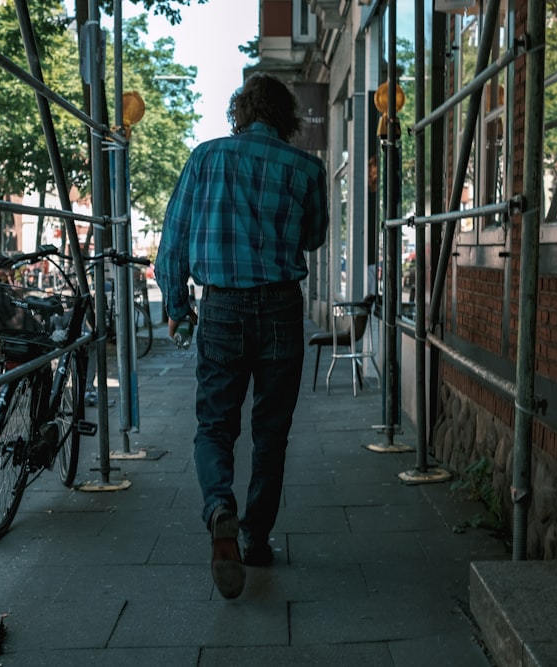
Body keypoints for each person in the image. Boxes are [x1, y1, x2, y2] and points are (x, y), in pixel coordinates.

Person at [155, 73, 329, 599]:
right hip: (279, 307)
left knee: (214, 425)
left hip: (223, 307)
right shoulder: (306, 167)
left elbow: (174, 242)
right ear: (287, 118)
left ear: (240, 112)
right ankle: (254, 537)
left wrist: (179, 308)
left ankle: (219, 508)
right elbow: (314, 237)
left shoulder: (205, 158)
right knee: (271, 433)